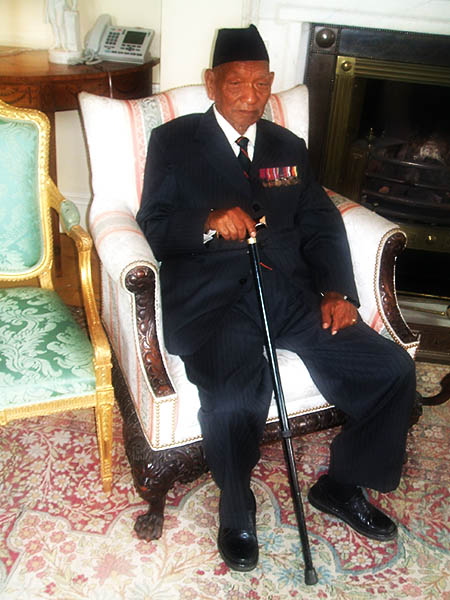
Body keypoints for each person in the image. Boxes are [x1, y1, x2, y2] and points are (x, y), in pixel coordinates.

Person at [136, 25, 416, 572]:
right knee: (234, 401)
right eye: (236, 83)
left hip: (289, 292)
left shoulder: (288, 147)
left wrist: (337, 290)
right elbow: (154, 225)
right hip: (215, 300)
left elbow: (320, 223)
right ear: (211, 83)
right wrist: (208, 221)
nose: (250, 95)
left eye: (261, 84)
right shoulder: (174, 141)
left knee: (390, 370)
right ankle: (236, 508)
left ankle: (342, 484)